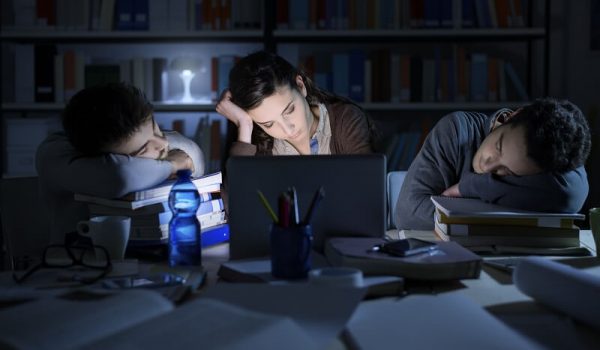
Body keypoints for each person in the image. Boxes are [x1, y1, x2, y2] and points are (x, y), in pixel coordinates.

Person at [37, 82, 204, 244]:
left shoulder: (144, 137)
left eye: (155, 127)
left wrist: (170, 158)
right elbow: (120, 175)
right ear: (101, 157)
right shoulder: (54, 154)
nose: (163, 143)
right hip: (77, 261)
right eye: (143, 150)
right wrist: (173, 164)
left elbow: (193, 153)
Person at [395, 97, 591, 230]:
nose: (488, 167)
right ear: (508, 117)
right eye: (498, 147)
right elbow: (407, 214)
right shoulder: (457, 131)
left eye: (504, 173)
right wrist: (506, 218)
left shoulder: (547, 159)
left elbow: (569, 195)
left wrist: (471, 186)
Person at [216, 50, 378, 156]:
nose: (288, 129)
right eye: (269, 124)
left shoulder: (344, 120)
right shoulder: (260, 142)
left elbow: (366, 187)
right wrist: (244, 125)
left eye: (290, 110)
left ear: (301, 86)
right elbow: (235, 202)